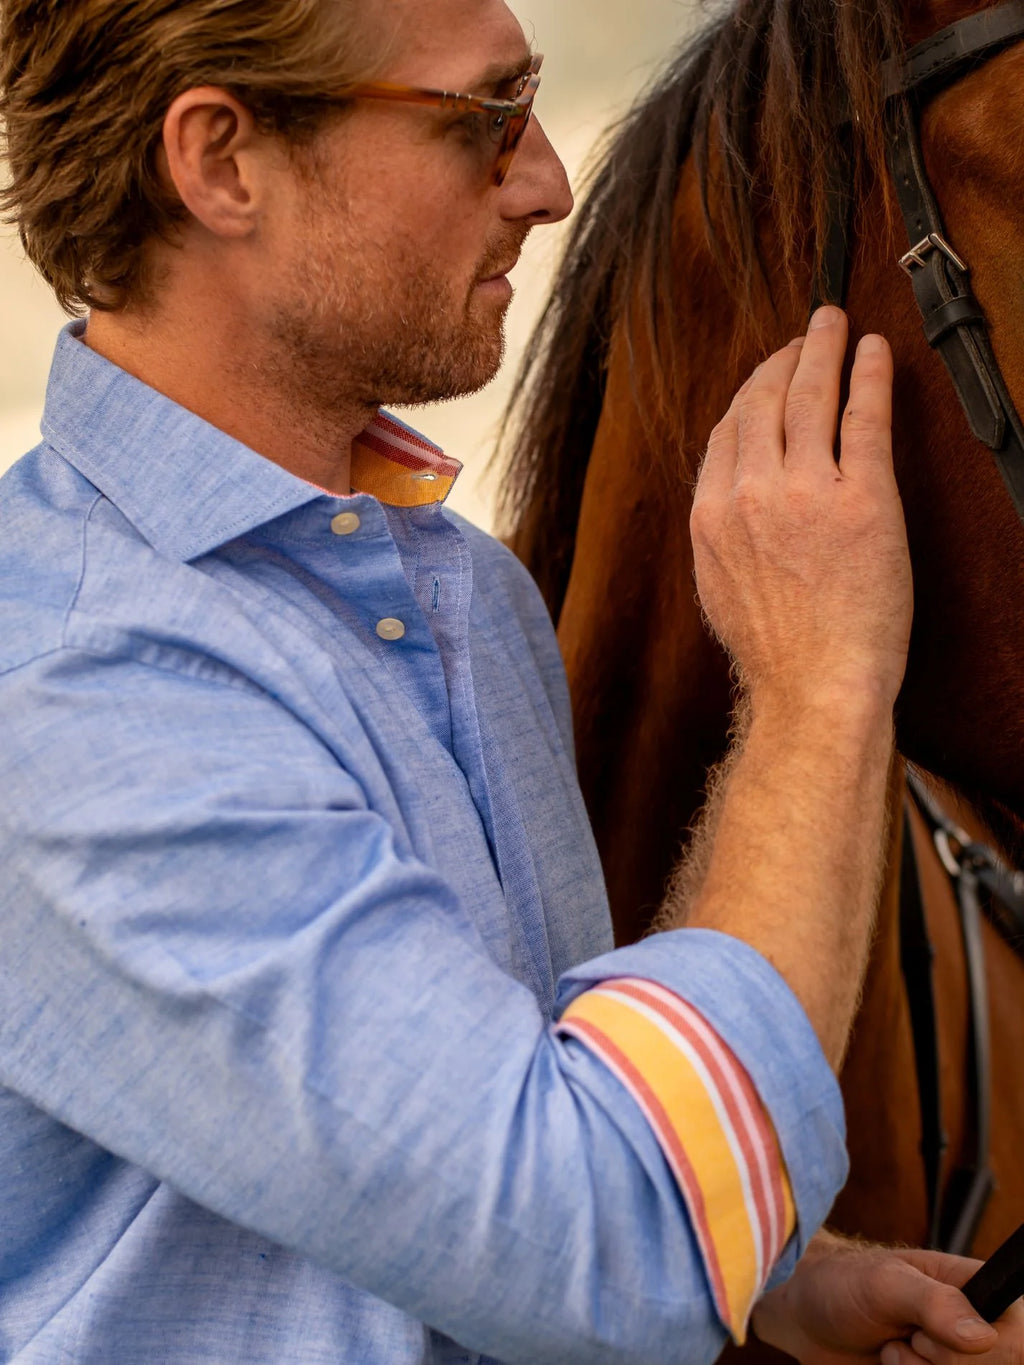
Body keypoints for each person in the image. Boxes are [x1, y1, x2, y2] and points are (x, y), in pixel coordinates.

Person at [0, 0, 1019, 1362]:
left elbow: (490, 1110)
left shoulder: (465, 597)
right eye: (482, 120)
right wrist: (820, 686)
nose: (545, 180)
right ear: (222, 163)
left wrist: (780, 1274)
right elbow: (602, 1246)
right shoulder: (80, 690)